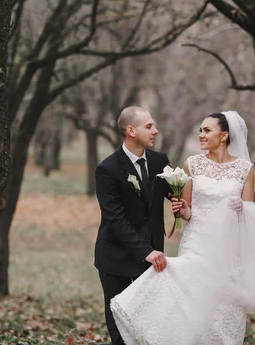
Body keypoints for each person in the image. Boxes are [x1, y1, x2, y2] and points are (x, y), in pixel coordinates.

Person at [110, 111, 255, 345]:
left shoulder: (245, 169)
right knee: (190, 307)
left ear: (224, 135)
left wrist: (243, 209)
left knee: (223, 311)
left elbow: (251, 216)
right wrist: (183, 211)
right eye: (200, 130)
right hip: (196, 242)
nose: (201, 135)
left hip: (228, 249)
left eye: (207, 130)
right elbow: (188, 211)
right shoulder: (192, 164)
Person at [94, 106, 172, 345]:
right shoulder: (107, 169)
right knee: (119, 323)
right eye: (149, 126)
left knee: (148, 321)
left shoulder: (160, 161)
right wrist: (146, 251)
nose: (155, 131)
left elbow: (175, 193)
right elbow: (115, 219)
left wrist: (182, 204)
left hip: (151, 258)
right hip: (116, 257)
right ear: (130, 130)